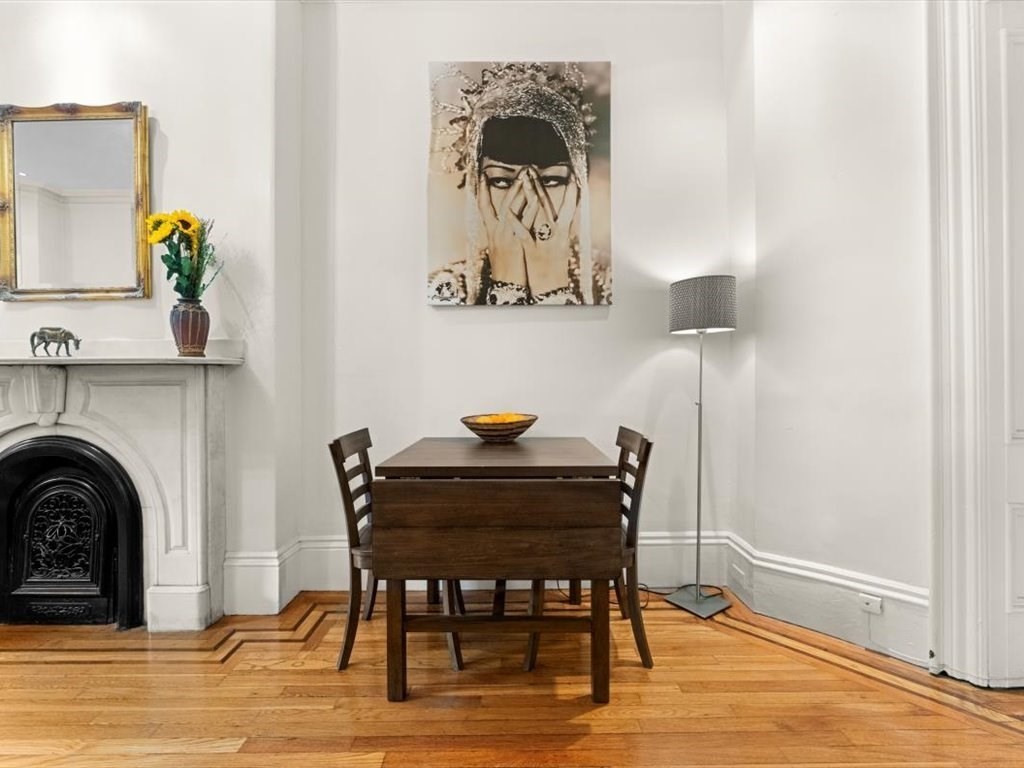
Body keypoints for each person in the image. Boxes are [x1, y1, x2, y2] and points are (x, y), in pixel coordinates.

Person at [428, 62, 611, 306]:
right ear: (477, 189)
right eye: (503, 181)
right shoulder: (445, 288)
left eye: (550, 180)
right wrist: (505, 281)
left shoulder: (608, 284)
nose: (527, 200)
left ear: (579, 186)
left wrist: (550, 279)